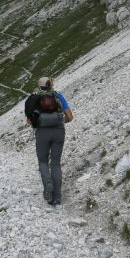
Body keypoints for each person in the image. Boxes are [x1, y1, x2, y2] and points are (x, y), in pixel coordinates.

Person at [24, 77, 73, 205]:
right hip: (58, 132)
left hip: (42, 134)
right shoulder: (57, 97)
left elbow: (29, 121)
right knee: (56, 163)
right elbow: (70, 117)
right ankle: (57, 197)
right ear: (50, 85)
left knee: (43, 161)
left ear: (39, 86)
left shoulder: (34, 99)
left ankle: (48, 184)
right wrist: (59, 121)